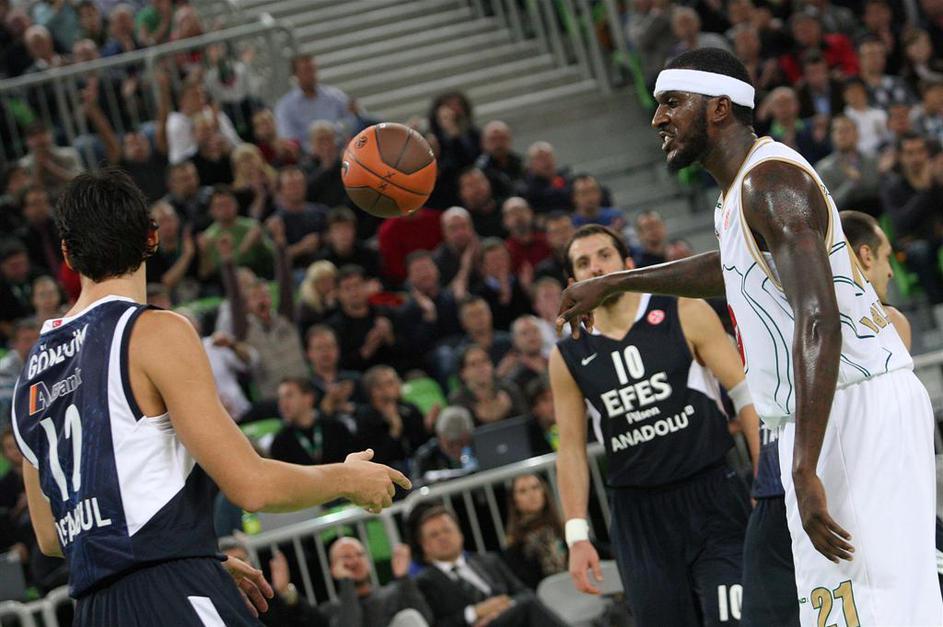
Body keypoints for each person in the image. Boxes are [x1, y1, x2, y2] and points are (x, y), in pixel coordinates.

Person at [557, 48, 940, 626]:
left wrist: (803, 468)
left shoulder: (772, 182)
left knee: (880, 609)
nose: (658, 118)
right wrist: (617, 281)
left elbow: (818, 318)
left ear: (719, 107)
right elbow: (729, 268)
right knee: (841, 611)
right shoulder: (741, 191)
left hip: (852, 402)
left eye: (672, 102)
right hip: (825, 410)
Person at [11, 169, 411, 625]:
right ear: (152, 237)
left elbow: (50, 536)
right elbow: (252, 485)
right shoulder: (153, 331)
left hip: (95, 609)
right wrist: (347, 478)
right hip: (170, 590)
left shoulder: (31, 371)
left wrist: (184, 551)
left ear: (67, 253)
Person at [552, 224, 756, 626]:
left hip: (712, 493)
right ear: (573, 283)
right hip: (639, 516)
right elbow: (571, 448)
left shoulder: (684, 311)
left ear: (629, 265)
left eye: (605, 256)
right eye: (584, 263)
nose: (596, 268)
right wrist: (576, 535)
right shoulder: (567, 354)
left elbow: (745, 394)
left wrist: (766, 475)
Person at [413, 505, 567, 627]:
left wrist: (503, 607)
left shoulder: (489, 561)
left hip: (512, 617)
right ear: (425, 546)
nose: (442, 537)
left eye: (447, 530)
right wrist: (475, 613)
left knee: (529, 604)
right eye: (434, 535)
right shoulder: (424, 582)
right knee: (529, 607)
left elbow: (523, 592)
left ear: (460, 534)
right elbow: (435, 624)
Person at [321, 538, 433, 627]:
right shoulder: (330, 610)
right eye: (346, 557)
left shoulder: (392, 593)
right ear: (333, 569)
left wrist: (404, 578)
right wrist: (346, 583)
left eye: (360, 554)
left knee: (408, 617)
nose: (355, 561)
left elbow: (425, 618)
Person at [275, 55, 363, 148]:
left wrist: (337, 130)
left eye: (313, 70)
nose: (311, 75)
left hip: (339, 148)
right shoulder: (285, 106)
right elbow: (288, 137)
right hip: (306, 153)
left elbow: (352, 119)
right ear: (295, 75)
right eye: (306, 71)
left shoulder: (334, 96)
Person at [354, 366, 431, 472]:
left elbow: (422, 444)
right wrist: (394, 431)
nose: (399, 384)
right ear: (375, 391)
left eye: (397, 380)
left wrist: (429, 427)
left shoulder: (409, 409)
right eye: (390, 382)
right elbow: (375, 457)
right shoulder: (365, 417)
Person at [502, 473, 567, 590]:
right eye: (523, 491)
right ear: (514, 501)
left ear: (544, 492)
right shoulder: (515, 545)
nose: (531, 495)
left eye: (535, 487)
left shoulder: (564, 528)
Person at [269, 377, 353, 466]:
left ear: (308, 398)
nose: (282, 403)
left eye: (289, 396)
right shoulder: (280, 442)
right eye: (280, 397)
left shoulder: (336, 429)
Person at [814, 116, 882, 215]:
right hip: (843, 219)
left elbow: (878, 191)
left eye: (846, 130)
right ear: (832, 136)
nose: (842, 135)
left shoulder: (872, 160)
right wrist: (851, 184)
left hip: (874, 215)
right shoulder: (824, 168)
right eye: (838, 131)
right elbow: (830, 204)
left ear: (857, 134)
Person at [411, 406, 475, 482]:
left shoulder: (480, 447)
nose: (457, 449)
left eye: (462, 443)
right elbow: (415, 485)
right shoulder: (426, 457)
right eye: (450, 444)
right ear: (440, 437)